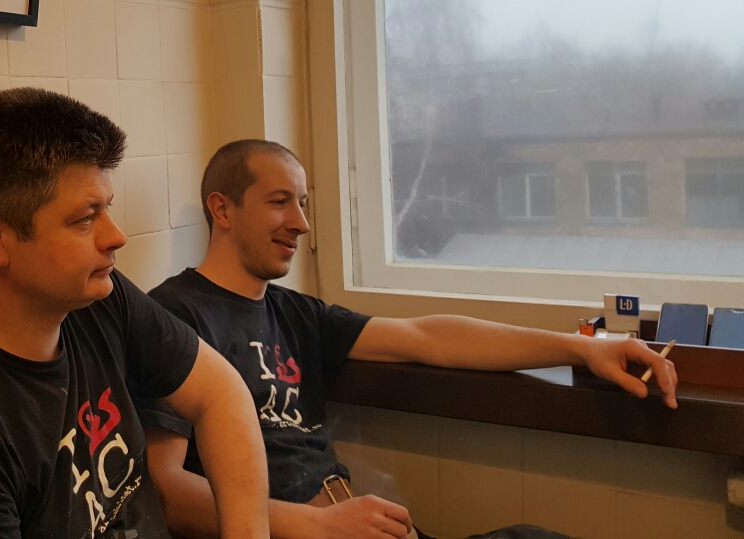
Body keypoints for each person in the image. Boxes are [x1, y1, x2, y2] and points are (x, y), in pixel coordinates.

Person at [136, 139, 680, 539]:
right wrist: (320, 526)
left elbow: (429, 337)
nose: (301, 223)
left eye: (304, 203)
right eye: (280, 202)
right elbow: (169, 493)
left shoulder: (296, 313)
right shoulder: (173, 317)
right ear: (223, 209)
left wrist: (583, 347)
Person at [0, 89, 270, 539]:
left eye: (107, 208)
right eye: (85, 219)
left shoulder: (94, 296)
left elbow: (220, 392)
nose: (116, 237)